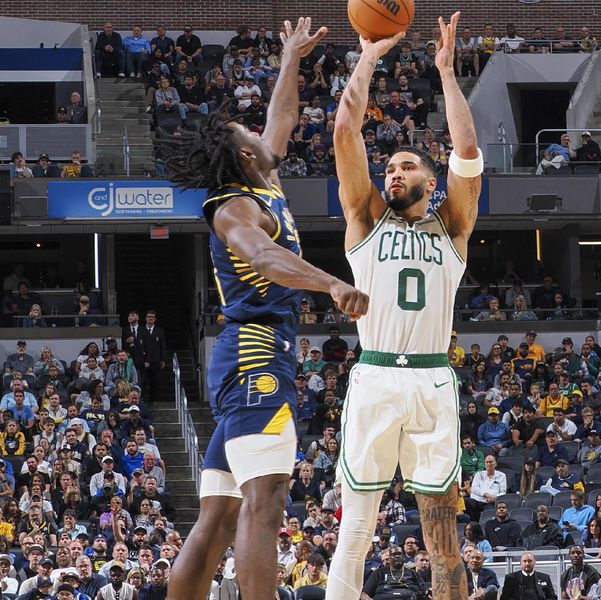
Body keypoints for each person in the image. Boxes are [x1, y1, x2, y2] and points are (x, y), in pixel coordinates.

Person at [161, 18, 368, 600]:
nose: (259, 133)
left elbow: (281, 118)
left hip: (245, 360)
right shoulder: (233, 208)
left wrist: (290, 60)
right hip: (255, 354)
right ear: (243, 154)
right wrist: (331, 284)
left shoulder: (262, 182)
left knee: (220, 516)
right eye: (246, 133)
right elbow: (266, 258)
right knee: (265, 500)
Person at [328, 13, 482, 600]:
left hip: (432, 379)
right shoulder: (365, 218)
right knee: (357, 529)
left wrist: (445, 70)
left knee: (442, 536)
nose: (393, 172)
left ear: (431, 180)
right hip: (374, 375)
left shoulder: (453, 226)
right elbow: (346, 128)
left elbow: (466, 149)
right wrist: (368, 56)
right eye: (388, 167)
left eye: (406, 165)